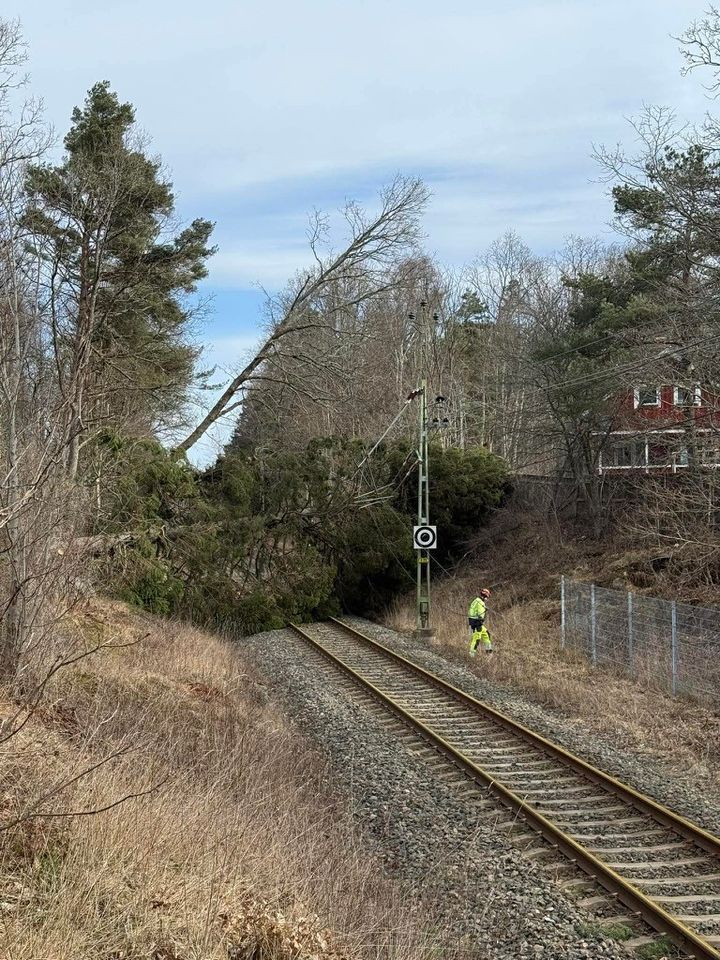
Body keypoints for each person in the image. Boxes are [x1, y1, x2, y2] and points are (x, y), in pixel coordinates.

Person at [468, 588, 493, 655]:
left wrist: (484, 608)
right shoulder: (480, 602)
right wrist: (484, 610)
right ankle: (471, 654)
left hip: (474, 622)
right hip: (476, 623)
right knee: (476, 639)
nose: (487, 599)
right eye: (487, 597)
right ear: (485, 596)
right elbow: (480, 614)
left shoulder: (476, 600)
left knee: (486, 634)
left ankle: (489, 651)